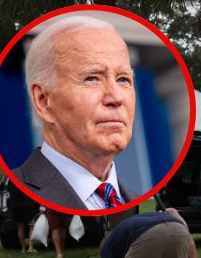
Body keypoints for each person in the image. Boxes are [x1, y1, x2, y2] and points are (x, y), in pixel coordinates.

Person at [12, 15, 136, 210]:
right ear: (44, 101)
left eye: (123, 79)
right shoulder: (19, 195)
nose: (116, 97)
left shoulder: (132, 200)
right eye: (91, 78)